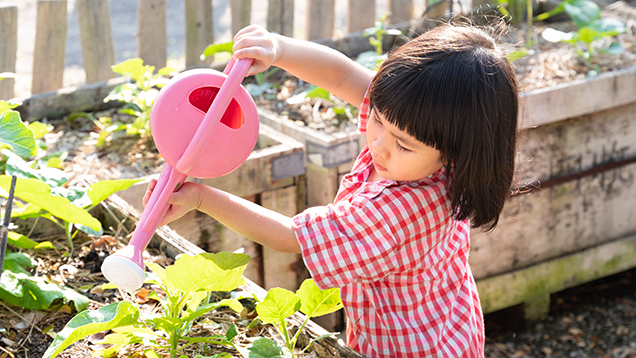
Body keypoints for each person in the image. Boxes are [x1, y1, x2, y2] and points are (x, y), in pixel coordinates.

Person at [143, 23, 519, 357]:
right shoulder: (421, 124)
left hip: (410, 347)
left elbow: (291, 236)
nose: (378, 143)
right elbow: (341, 76)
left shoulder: (397, 210)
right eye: (376, 118)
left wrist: (202, 197)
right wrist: (278, 49)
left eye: (402, 144)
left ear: (457, 153)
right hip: (447, 321)